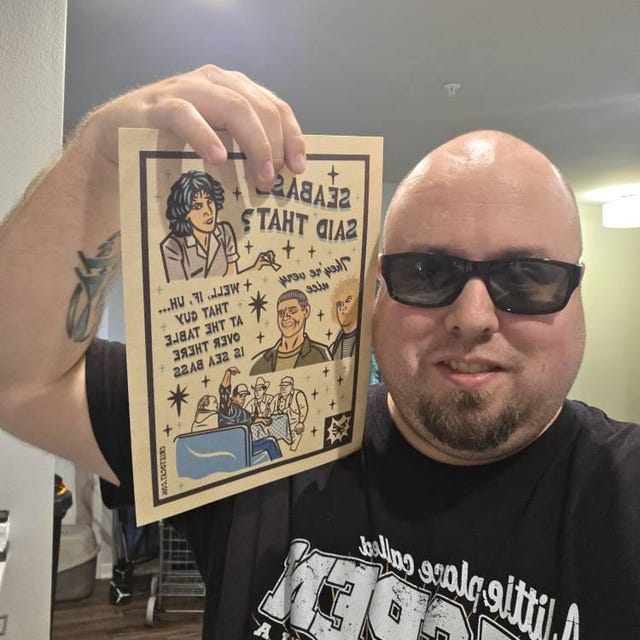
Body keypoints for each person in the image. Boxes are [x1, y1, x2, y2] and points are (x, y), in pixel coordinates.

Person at [0, 65, 639, 639]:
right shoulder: (268, 443)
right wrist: (98, 159)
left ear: (576, 294)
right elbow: (16, 381)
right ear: (376, 291)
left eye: (526, 277)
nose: (472, 318)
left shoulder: (622, 494)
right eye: (426, 273)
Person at [160, 169, 276, 281]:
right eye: (198, 207)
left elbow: (232, 283)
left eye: (210, 201)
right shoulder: (172, 247)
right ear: (184, 213)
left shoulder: (224, 232)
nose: (208, 211)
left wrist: (256, 267)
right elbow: (178, 291)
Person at [250, 288, 330, 374]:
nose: (285, 317)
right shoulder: (261, 362)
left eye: (292, 311)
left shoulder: (320, 354)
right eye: (281, 313)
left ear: (306, 311)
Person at [329, 276, 359, 359]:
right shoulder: (332, 349)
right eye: (339, 304)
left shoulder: (366, 340)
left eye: (348, 301)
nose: (343, 307)